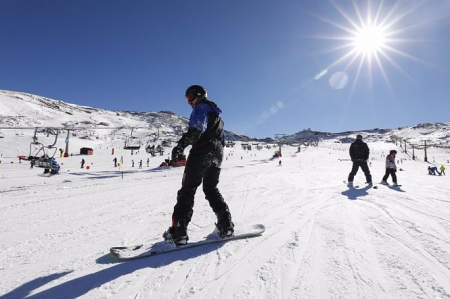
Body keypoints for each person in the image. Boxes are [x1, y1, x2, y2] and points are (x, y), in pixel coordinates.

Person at [163, 85, 234, 246]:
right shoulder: (217, 116)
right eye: (187, 98)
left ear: (200, 95)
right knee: (211, 188)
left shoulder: (201, 108)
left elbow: (196, 130)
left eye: (191, 97)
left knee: (188, 189)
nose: (189, 102)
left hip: (202, 151)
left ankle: (178, 232)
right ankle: (226, 225)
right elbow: (222, 139)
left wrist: (180, 146)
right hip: (218, 152)